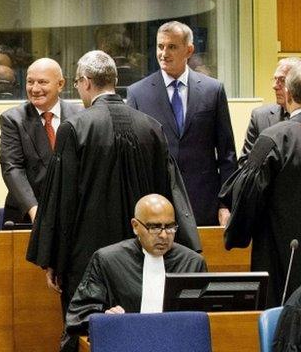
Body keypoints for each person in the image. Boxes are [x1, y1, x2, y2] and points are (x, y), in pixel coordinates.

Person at [26, 50, 200, 317]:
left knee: (89, 330)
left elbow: (63, 200)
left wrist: (54, 261)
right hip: (143, 258)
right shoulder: (151, 127)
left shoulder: (74, 128)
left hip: (86, 259)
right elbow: (168, 194)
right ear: (114, 80)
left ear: (85, 81)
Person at [62, 194, 207, 351]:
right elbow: (79, 314)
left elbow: (207, 317)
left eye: (170, 227)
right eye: (155, 227)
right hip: (124, 344)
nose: (164, 235)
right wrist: (105, 318)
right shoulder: (107, 260)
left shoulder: (192, 262)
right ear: (135, 226)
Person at [127, 21, 237, 226]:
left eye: (172, 47)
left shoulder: (212, 90)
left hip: (203, 203)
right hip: (155, 202)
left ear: (189, 50)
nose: (164, 53)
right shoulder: (138, 93)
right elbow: (132, 158)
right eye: (160, 46)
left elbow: (227, 155)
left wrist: (225, 204)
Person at [219, 60, 301, 308]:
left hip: (282, 258)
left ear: (287, 93)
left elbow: (248, 195)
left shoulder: (274, 138)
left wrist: (235, 233)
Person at [0, 58, 81, 224]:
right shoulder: (13, 119)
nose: (35, 89)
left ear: (60, 84)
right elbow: (12, 167)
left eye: (42, 82)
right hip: (28, 214)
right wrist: (34, 210)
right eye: (30, 82)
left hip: (73, 215)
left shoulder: (80, 116)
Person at [239, 57, 301, 166]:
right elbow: (245, 163)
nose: (275, 86)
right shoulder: (260, 117)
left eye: (282, 80)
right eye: (275, 79)